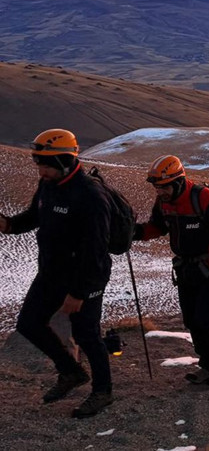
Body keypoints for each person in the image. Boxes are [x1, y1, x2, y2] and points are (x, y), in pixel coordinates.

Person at [0, 129, 114, 417]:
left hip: (85, 277)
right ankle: (71, 371)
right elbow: (34, 216)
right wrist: (9, 225)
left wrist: (79, 293)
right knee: (29, 323)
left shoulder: (90, 195)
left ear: (64, 160)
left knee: (86, 334)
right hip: (51, 273)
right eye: (38, 163)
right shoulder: (48, 184)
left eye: (46, 164)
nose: (41, 170)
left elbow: (96, 250)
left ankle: (103, 392)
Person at [134, 155, 209, 385]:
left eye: (163, 186)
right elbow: (158, 227)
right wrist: (134, 233)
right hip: (186, 269)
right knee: (192, 320)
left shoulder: (206, 199)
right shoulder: (164, 202)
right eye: (157, 187)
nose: (159, 191)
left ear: (178, 182)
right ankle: (207, 363)